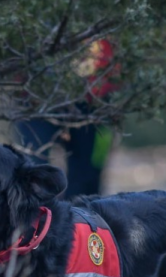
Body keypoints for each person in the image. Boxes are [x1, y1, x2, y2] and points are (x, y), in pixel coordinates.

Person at [15, 38, 119, 197]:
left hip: (94, 97)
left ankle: (80, 219)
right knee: (33, 170)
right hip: (36, 95)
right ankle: (36, 217)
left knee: (87, 176)